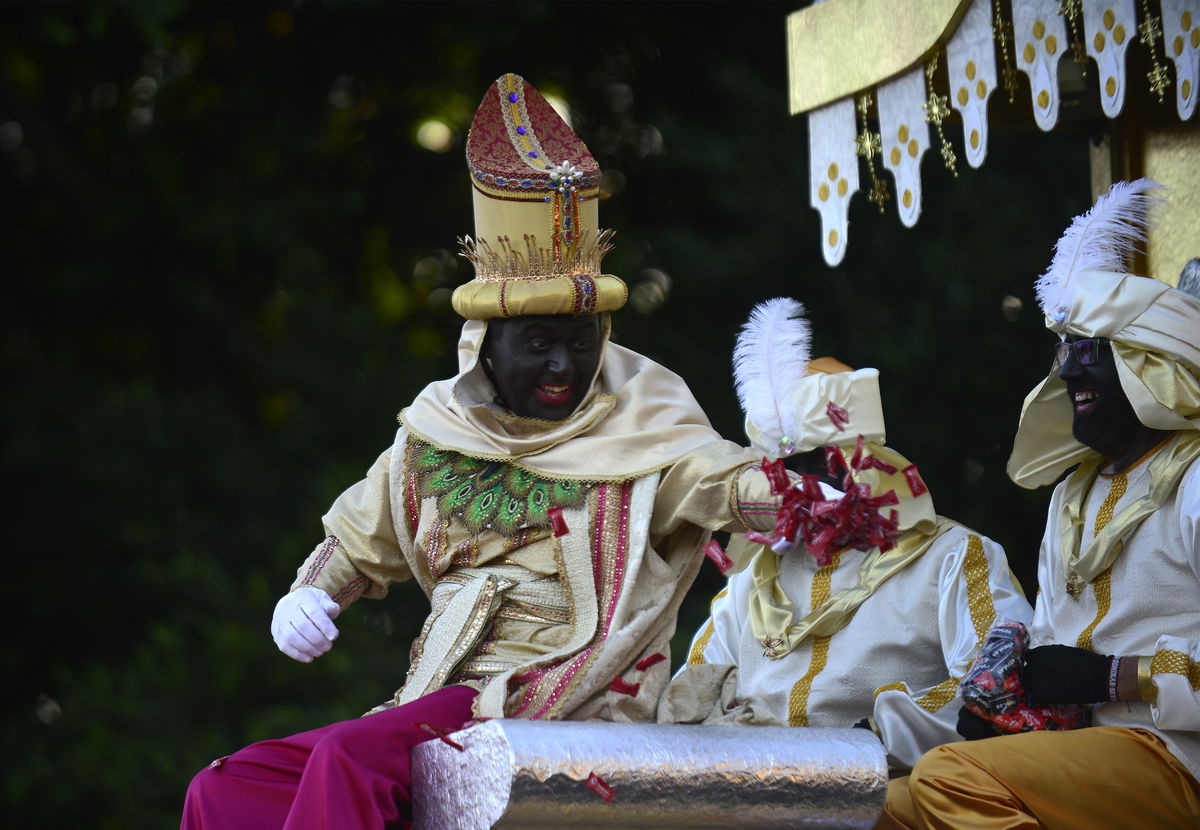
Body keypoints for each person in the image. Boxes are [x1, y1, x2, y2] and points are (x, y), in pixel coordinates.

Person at [182, 73, 789, 829]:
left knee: (347, 760)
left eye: (579, 343)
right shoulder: (438, 433)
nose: (564, 368)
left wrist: (794, 492)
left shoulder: (644, 424)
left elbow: (715, 481)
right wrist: (309, 593)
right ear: (486, 347)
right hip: (436, 699)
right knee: (225, 790)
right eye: (539, 345)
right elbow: (356, 542)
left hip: (558, 697)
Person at [893, 179, 1200, 828]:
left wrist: (1114, 678)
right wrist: (1004, 696)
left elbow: (1093, 675)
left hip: (1178, 761)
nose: (1067, 373)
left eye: (1087, 353)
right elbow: (1049, 650)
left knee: (950, 779)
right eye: (1064, 353)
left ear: (1155, 370)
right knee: (873, 807)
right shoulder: (1073, 493)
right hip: (1076, 754)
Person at [658, 298, 1033, 783]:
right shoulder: (750, 583)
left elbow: (991, 689)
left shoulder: (953, 558)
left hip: (893, 797)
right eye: (784, 471)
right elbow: (694, 695)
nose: (797, 487)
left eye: (818, 464)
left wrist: (863, 744)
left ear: (864, 462)